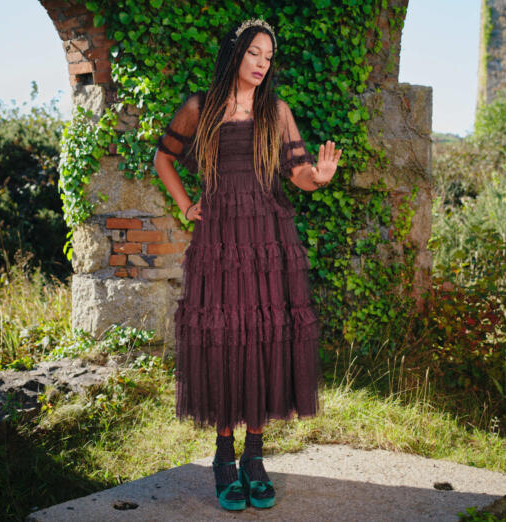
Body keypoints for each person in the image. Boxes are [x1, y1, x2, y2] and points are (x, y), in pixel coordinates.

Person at [153, 18, 342, 511]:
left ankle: (254, 458)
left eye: (269, 57)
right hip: (220, 241)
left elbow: (297, 170)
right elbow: (163, 158)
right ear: (236, 52)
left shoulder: (275, 111)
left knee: (264, 336)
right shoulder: (201, 108)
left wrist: (317, 178)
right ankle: (223, 456)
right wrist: (184, 205)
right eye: (255, 53)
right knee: (224, 337)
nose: (262, 64)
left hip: (267, 239)